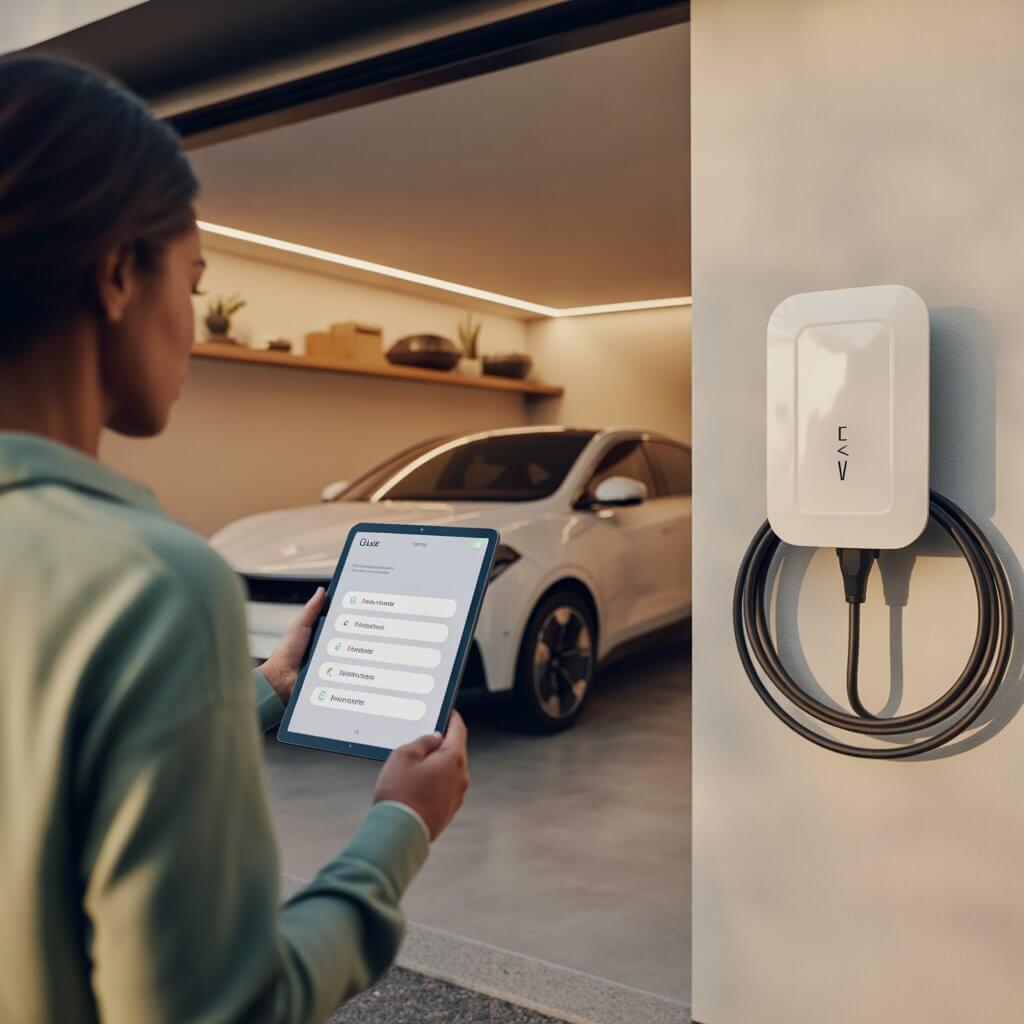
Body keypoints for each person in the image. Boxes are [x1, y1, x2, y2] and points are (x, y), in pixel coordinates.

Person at [0, 55, 470, 1023]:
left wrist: (256, 690)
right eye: (196, 280)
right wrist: (400, 824)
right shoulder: (147, 581)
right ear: (120, 273)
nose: (191, 323)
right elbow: (224, 1005)